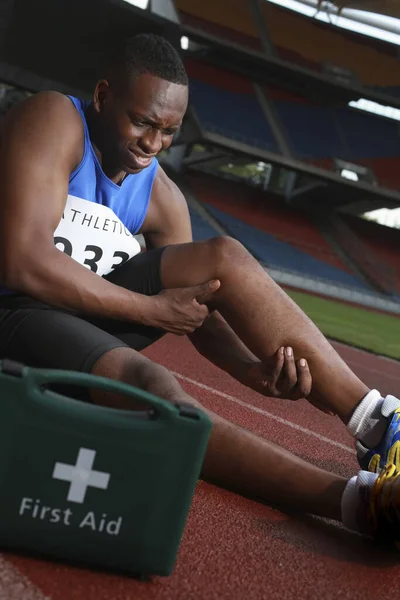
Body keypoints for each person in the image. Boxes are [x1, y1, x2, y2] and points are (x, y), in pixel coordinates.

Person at [0, 33, 399, 544]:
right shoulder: (56, 120)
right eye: (142, 122)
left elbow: (197, 310)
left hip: (75, 322)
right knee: (151, 384)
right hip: (12, 312)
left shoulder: (162, 196)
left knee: (223, 256)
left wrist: (249, 370)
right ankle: (361, 503)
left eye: (168, 130)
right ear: (102, 97)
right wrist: (147, 310)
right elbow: (22, 260)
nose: (152, 144)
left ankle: (378, 422)